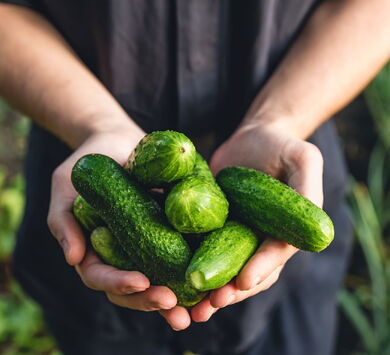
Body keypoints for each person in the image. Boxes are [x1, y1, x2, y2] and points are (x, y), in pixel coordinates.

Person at [0, 1, 389, 354]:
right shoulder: (109, 174)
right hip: (79, 135)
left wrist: (278, 119)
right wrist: (93, 125)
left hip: (282, 146)